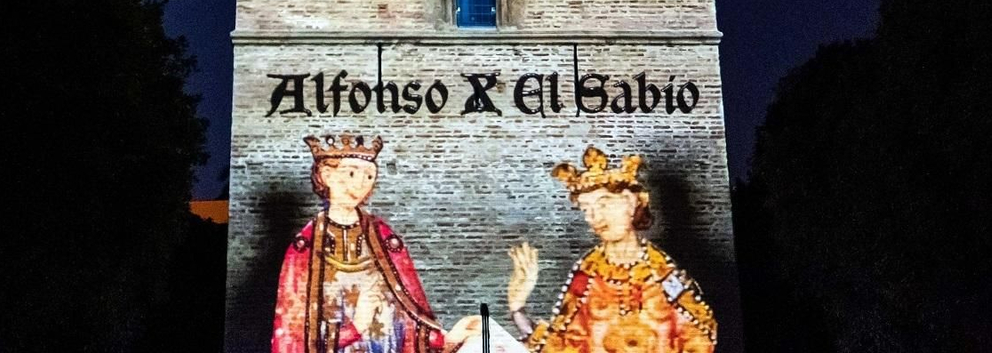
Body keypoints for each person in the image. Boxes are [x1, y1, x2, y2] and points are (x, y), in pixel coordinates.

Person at [273, 134, 480, 353]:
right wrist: (355, 328)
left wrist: (448, 338)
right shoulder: (304, 250)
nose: (361, 183)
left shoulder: (385, 239)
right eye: (351, 173)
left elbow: (410, 313)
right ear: (326, 175)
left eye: (369, 176)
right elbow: (294, 337)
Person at [505, 148, 716, 353]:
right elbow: (561, 346)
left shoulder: (661, 272)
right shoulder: (586, 274)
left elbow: (701, 336)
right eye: (586, 208)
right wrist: (518, 308)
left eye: (604, 204)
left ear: (631, 202)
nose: (594, 217)